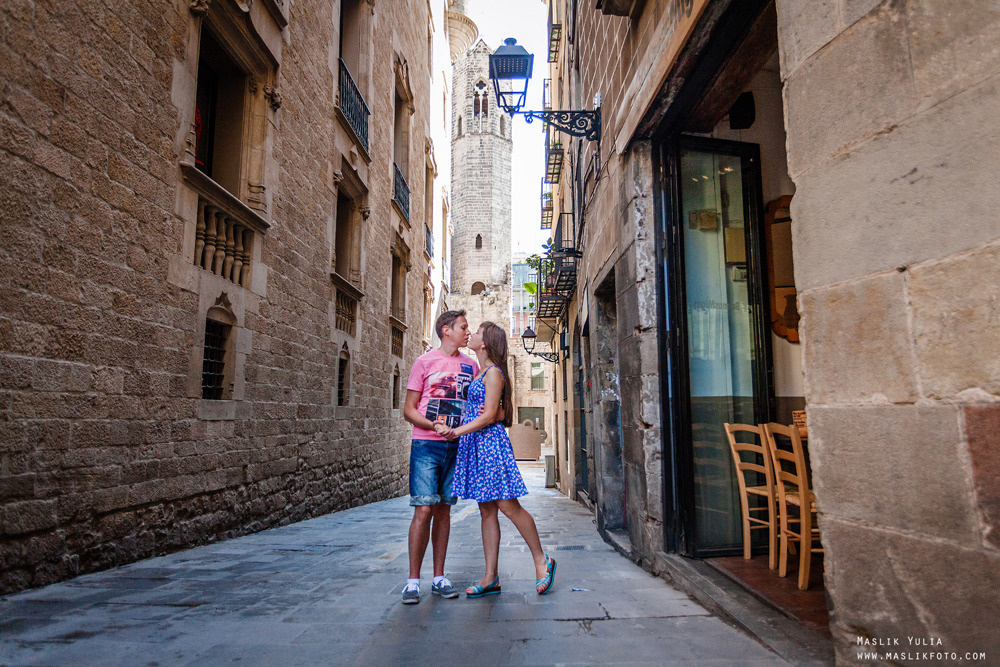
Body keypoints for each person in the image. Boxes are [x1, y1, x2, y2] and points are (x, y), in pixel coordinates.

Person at [442, 321, 556, 597]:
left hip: (490, 445)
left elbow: (490, 416)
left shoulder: (493, 374)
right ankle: (491, 576)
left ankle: (542, 562)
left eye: (477, 333)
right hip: (478, 446)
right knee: (487, 510)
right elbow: (494, 412)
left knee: (508, 506)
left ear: (486, 342)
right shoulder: (483, 373)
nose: (471, 335)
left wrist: (456, 431)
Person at [400, 310, 478, 604]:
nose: (467, 332)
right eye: (463, 327)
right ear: (446, 330)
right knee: (423, 509)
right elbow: (409, 409)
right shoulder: (424, 362)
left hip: (456, 446)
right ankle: (412, 581)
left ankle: (439, 577)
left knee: (444, 510)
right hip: (426, 446)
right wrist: (433, 425)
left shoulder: (471, 366)